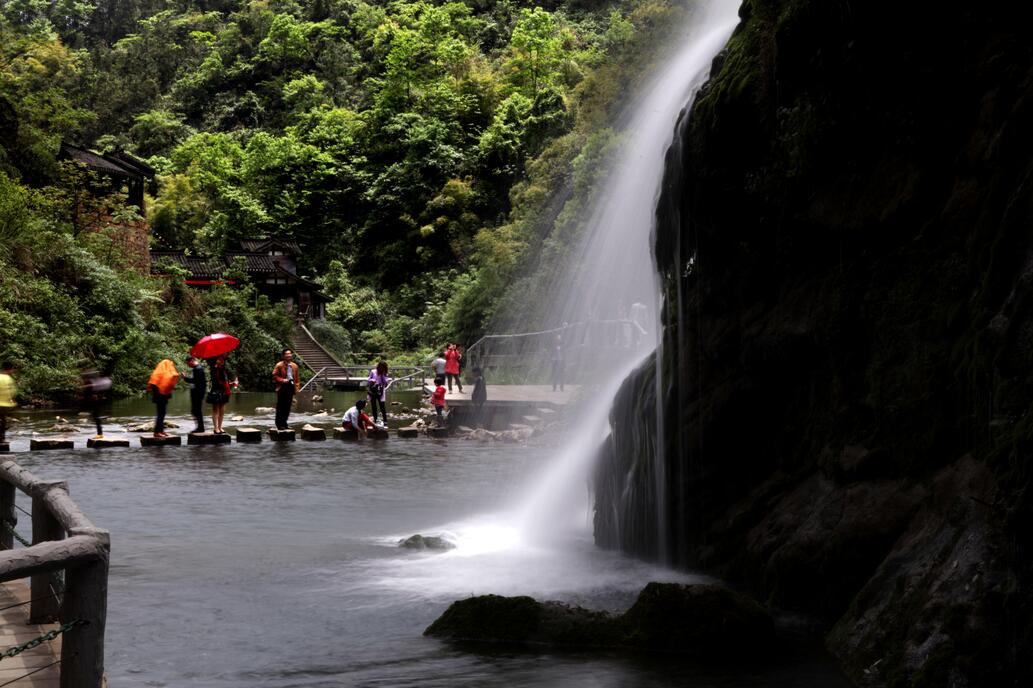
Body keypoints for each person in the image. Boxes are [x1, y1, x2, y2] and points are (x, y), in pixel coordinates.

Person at [147, 359, 180, 438]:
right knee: (160, 414)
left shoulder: (158, 374)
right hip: (160, 397)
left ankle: (161, 431)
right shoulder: (161, 374)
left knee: (162, 413)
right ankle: (157, 432)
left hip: (162, 396)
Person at [272, 349, 301, 430]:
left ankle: (284, 423)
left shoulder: (294, 366)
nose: (288, 355)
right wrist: (282, 380)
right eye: (286, 354)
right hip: (282, 386)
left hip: (291, 386)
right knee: (281, 406)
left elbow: (297, 378)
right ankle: (279, 424)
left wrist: (297, 387)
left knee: (287, 406)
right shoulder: (279, 365)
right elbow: (274, 376)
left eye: (290, 354)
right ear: (283, 356)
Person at [207, 355, 235, 434]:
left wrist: (230, 384)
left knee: (222, 410)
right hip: (216, 391)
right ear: (216, 360)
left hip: (223, 391)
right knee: (216, 410)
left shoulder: (223, 369)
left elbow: (224, 381)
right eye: (220, 359)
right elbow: (216, 381)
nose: (222, 361)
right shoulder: (214, 369)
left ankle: (220, 427)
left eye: (223, 359)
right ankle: (216, 428)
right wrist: (217, 368)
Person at [80, 368, 112, 438]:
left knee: (96, 417)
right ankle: (100, 433)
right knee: (96, 417)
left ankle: (100, 434)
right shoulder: (91, 382)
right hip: (95, 401)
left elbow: (90, 392)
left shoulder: (89, 383)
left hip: (95, 401)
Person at [184, 356, 206, 433]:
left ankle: (200, 428)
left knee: (196, 410)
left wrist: (185, 378)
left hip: (198, 393)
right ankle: (200, 427)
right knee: (195, 410)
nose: (188, 365)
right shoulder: (197, 369)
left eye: (188, 363)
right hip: (197, 392)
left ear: (192, 361)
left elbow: (195, 381)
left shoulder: (198, 369)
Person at [367, 360, 391, 426]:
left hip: (380, 391)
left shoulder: (385, 373)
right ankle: (375, 419)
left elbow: (386, 383)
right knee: (373, 406)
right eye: (380, 367)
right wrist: (372, 380)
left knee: (382, 406)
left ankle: (385, 421)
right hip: (373, 390)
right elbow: (368, 379)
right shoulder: (373, 371)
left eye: (383, 367)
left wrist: (383, 376)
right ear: (378, 366)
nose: (381, 368)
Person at [0, 362, 16, 444]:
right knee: (3, 421)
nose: (13, 371)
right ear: (9, 369)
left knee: (3, 421)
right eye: (12, 369)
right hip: (5, 405)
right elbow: (12, 392)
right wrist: (12, 400)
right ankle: (1, 439)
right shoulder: (8, 379)